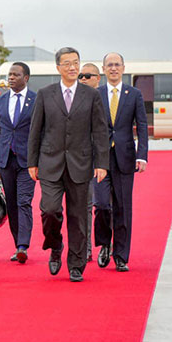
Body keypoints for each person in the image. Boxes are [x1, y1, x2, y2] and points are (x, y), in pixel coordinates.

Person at [28, 47, 108, 283]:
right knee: (50, 210)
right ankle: (55, 245)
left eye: (76, 63)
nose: (73, 67)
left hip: (81, 164)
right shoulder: (45, 94)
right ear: (58, 68)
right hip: (50, 163)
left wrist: (102, 163)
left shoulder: (91, 95)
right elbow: (36, 129)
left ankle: (76, 264)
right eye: (67, 63)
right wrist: (32, 161)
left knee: (78, 218)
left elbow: (100, 131)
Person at [92, 53, 149, 272]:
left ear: (123, 68)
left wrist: (142, 154)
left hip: (125, 158)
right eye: (110, 65)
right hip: (101, 160)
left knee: (123, 208)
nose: (113, 68)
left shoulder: (134, 94)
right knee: (102, 205)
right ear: (103, 69)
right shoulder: (96, 95)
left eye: (117, 65)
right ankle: (104, 244)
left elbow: (142, 125)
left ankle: (121, 255)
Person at [0, 62, 36, 264]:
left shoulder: (36, 100)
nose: (11, 78)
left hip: (28, 162)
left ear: (26, 78)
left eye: (16, 75)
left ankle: (23, 246)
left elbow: (40, 132)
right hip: (5, 160)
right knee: (12, 204)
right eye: (9, 75)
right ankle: (18, 243)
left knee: (23, 202)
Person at [78, 63, 102, 262]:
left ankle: (106, 244)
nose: (83, 79)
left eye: (87, 75)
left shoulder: (104, 99)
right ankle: (84, 248)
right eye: (80, 76)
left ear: (97, 78)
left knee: (104, 207)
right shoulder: (73, 99)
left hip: (104, 161)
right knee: (84, 207)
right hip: (80, 162)